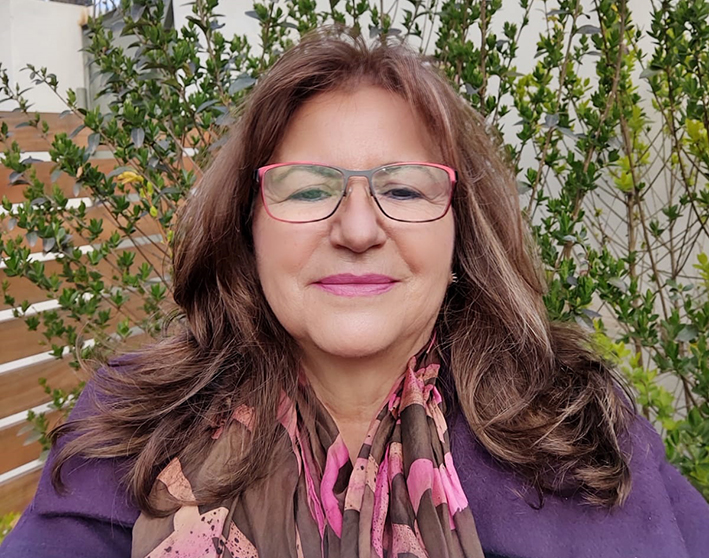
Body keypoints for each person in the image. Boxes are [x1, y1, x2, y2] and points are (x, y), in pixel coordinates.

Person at [2, 27, 708, 558]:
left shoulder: (571, 427)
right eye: (309, 190)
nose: (359, 229)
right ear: (247, 230)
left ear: (459, 237)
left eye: (404, 189)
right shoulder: (136, 426)